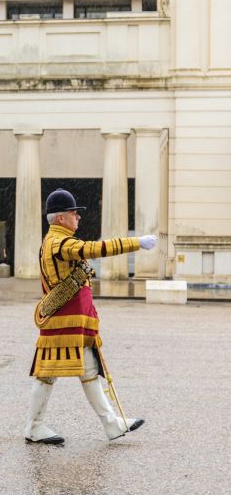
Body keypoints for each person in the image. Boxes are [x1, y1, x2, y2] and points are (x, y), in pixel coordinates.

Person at [24, 188, 155, 445]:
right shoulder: (60, 242)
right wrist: (136, 242)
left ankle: (111, 424)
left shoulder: (54, 240)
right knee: (50, 374)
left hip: (70, 322)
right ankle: (34, 426)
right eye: (74, 213)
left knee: (82, 372)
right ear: (61, 217)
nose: (78, 218)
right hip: (65, 323)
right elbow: (97, 249)